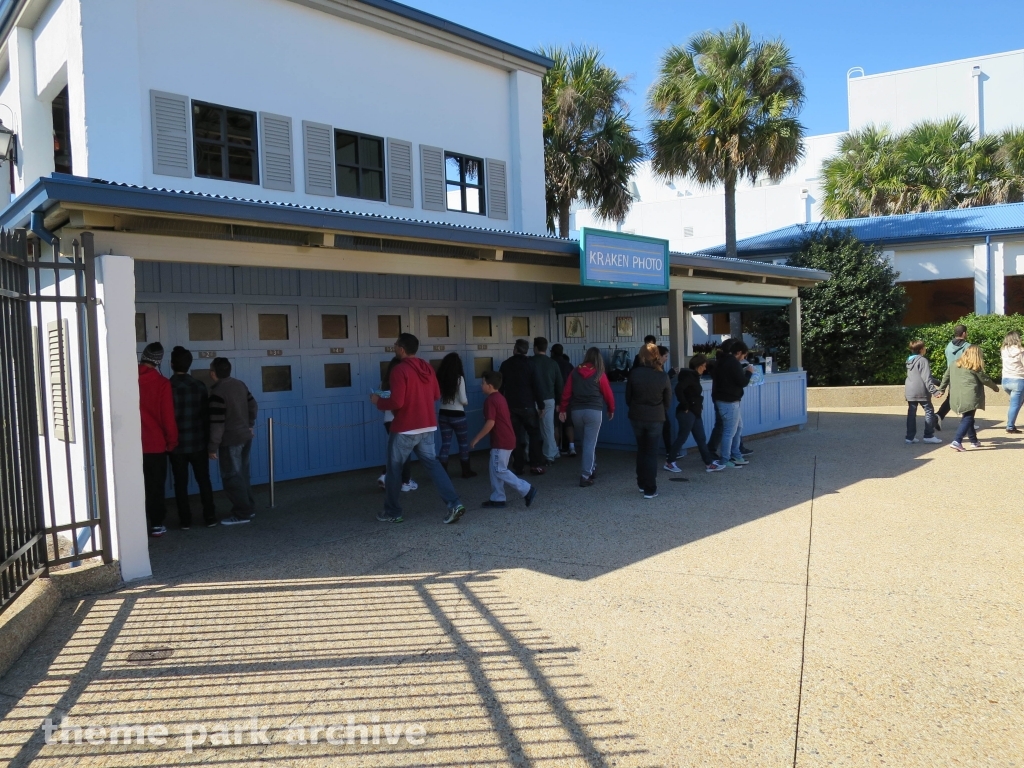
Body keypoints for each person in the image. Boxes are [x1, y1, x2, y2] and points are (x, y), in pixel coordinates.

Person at [371, 333, 466, 524]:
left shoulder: (399, 370)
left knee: (394, 469)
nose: (394, 346)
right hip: (428, 425)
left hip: (405, 427)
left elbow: (397, 401)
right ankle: (454, 504)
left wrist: (378, 401)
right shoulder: (427, 368)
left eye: (396, 344)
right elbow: (436, 394)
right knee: (433, 464)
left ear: (402, 349)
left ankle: (392, 512)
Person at [470, 370, 538, 509]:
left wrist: (476, 438)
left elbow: (490, 422)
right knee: (494, 469)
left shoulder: (491, 400)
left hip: (501, 441)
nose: (481, 385)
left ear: (489, 385)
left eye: (482, 383)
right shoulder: (500, 397)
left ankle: (526, 489)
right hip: (506, 439)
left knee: (499, 470)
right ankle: (498, 498)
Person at [168, 346, 216, 529]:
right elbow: (206, 414)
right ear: (189, 365)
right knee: (204, 480)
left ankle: (185, 520)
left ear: (172, 364)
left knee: (180, 483)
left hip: (176, 445)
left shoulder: (167, 387)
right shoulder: (199, 386)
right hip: (198, 441)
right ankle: (210, 516)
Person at [208, 357, 258, 525]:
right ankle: (249, 508)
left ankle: (242, 513)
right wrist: (250, 425)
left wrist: (212, 447)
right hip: (245, 437)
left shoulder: (217, 393)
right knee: (243, 475)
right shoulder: (240, 384)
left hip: (230, 441)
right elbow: (253, 406)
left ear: (213, 373)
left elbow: (217, 424)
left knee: (232, 477)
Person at [559, 346, 615, 487]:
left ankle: (592, 467)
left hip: (577, 411)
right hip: (593, 412)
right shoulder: (599, 374)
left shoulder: (574, 372)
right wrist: (611, 408)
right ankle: (585, 475)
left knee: (587, 442)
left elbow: (566, 392)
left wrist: (563, 409)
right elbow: (608, 393)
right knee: (590, 443)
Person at [138, 343, 178, 538]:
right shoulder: (162, 383)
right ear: (159, 361)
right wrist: (172, 442)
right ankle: (156, 524)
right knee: (155, 486)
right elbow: (167, 417)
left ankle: (133, 525)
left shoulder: (128, 379)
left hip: (130, 445)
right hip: (155, 445)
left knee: (135, 485)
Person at [666, 354, 727, 473]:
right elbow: (679, 389)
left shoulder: (693, 376)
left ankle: (709, 464)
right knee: (683, 437)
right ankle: (669, 462)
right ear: (698, 365)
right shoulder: (689, 376)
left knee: (701, 438)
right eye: (703, 366)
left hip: (694, 412)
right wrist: (685, 405)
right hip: (687, 412)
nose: (705, 368)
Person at [625, 343, 671, 499]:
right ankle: (650, 488)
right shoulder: (662, 375)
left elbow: (628, 398)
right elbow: (667, 401)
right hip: (656, 416)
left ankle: (641, 483)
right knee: (651, 452)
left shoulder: (634, 373)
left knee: (642, 449)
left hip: (637, 415)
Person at [498, 339, 546, 476]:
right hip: (528, 406)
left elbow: (500, 387)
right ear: (526, 350)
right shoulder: (531, 365)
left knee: (516, 437)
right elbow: (537, 386)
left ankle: (518, 466)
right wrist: (541, 405)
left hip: (511, 406)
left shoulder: (506, 365)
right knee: (534, 435)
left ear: (515, 349)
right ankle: (535, 465)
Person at [939, 344, 999, 452]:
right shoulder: (975, 367)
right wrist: (995, 387)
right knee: (968, 418)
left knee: (968, 417)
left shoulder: (954, 364)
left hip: (956, 395)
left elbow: (945, 377)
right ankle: (957, 441)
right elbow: (985, 379)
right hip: (970, 396)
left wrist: (941, 389)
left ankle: (974, 441)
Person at [376, 356, 415, 493]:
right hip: (402, 420)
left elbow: (381, 403)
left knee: (396, 451)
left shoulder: (384, 383)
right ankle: (405, 481)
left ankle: (389, 476)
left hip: (388, 420)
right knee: (405, 452)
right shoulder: (402, 380)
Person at [712, 340, 754, 467]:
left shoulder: (721, 361)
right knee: (730, 431)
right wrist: (749, 372)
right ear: (739, 352)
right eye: (744, 355)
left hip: (723, 400)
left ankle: (735, 454)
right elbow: (742, 382)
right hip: (729, 401)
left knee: (738, 427)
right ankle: (726, 459)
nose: (744, 358)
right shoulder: (733, 363)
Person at [436, 352, 476, 478]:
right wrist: (466, 403)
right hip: (458, 415)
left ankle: (442, 473)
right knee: (463, 444)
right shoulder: (459, 379)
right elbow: (463, 400)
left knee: (445, 444)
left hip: (443, 414)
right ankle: (466, 471)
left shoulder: (440, 377)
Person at [531, 337, 564, 465]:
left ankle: (533, 454)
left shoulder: (530, 362)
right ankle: (551, 453)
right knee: (548, 428)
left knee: (532, 430)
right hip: (549, 399)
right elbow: (559, 384)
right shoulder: (552, 363)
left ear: (535, 347)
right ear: (546, 348)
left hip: (533, 399)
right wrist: (559, 402)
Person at [904, 340, 943, 445]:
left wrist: (938, 383)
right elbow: (926, 378)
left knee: (911, 414)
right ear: (921, 349)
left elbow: (921, 376)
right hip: (921, 390)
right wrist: (934, 391)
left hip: (910, 390)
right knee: (929, 411)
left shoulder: (909, 360)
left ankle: (909, 437)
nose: (925, 349)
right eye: (924, 347)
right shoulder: (923, 360)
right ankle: (929, 435)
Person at [936, 324, 969, 427]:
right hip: (964, 377)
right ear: (964, 333)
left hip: (951, 376)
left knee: (951, 398)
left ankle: (938, 416)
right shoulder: (968, 347)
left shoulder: (949, 346)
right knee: (968, 399)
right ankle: (968, 421)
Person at [550, 344, 576, 456]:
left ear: (552, 352)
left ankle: (556, 449)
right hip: (567, 398)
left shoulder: (550, 364)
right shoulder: (568, 365)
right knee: (568, 423)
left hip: (554, 397)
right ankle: (571, 447)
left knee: (555, 425)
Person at [1000, 331, 1024, 434]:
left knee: (1017, 402)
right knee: (1015, 404)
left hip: (1005, 380)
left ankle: (1011, 424)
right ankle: (1010, 426)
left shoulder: (1004, 350)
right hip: (1018, 380)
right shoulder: (1021, 351)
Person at [657, 345, 675, 459]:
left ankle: (669, 451)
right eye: (665, 356)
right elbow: (662, 383)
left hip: (656, 405)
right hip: (659, 405)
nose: (667, 358)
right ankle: (669, 451)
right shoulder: (659, 370)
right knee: (665, 427)